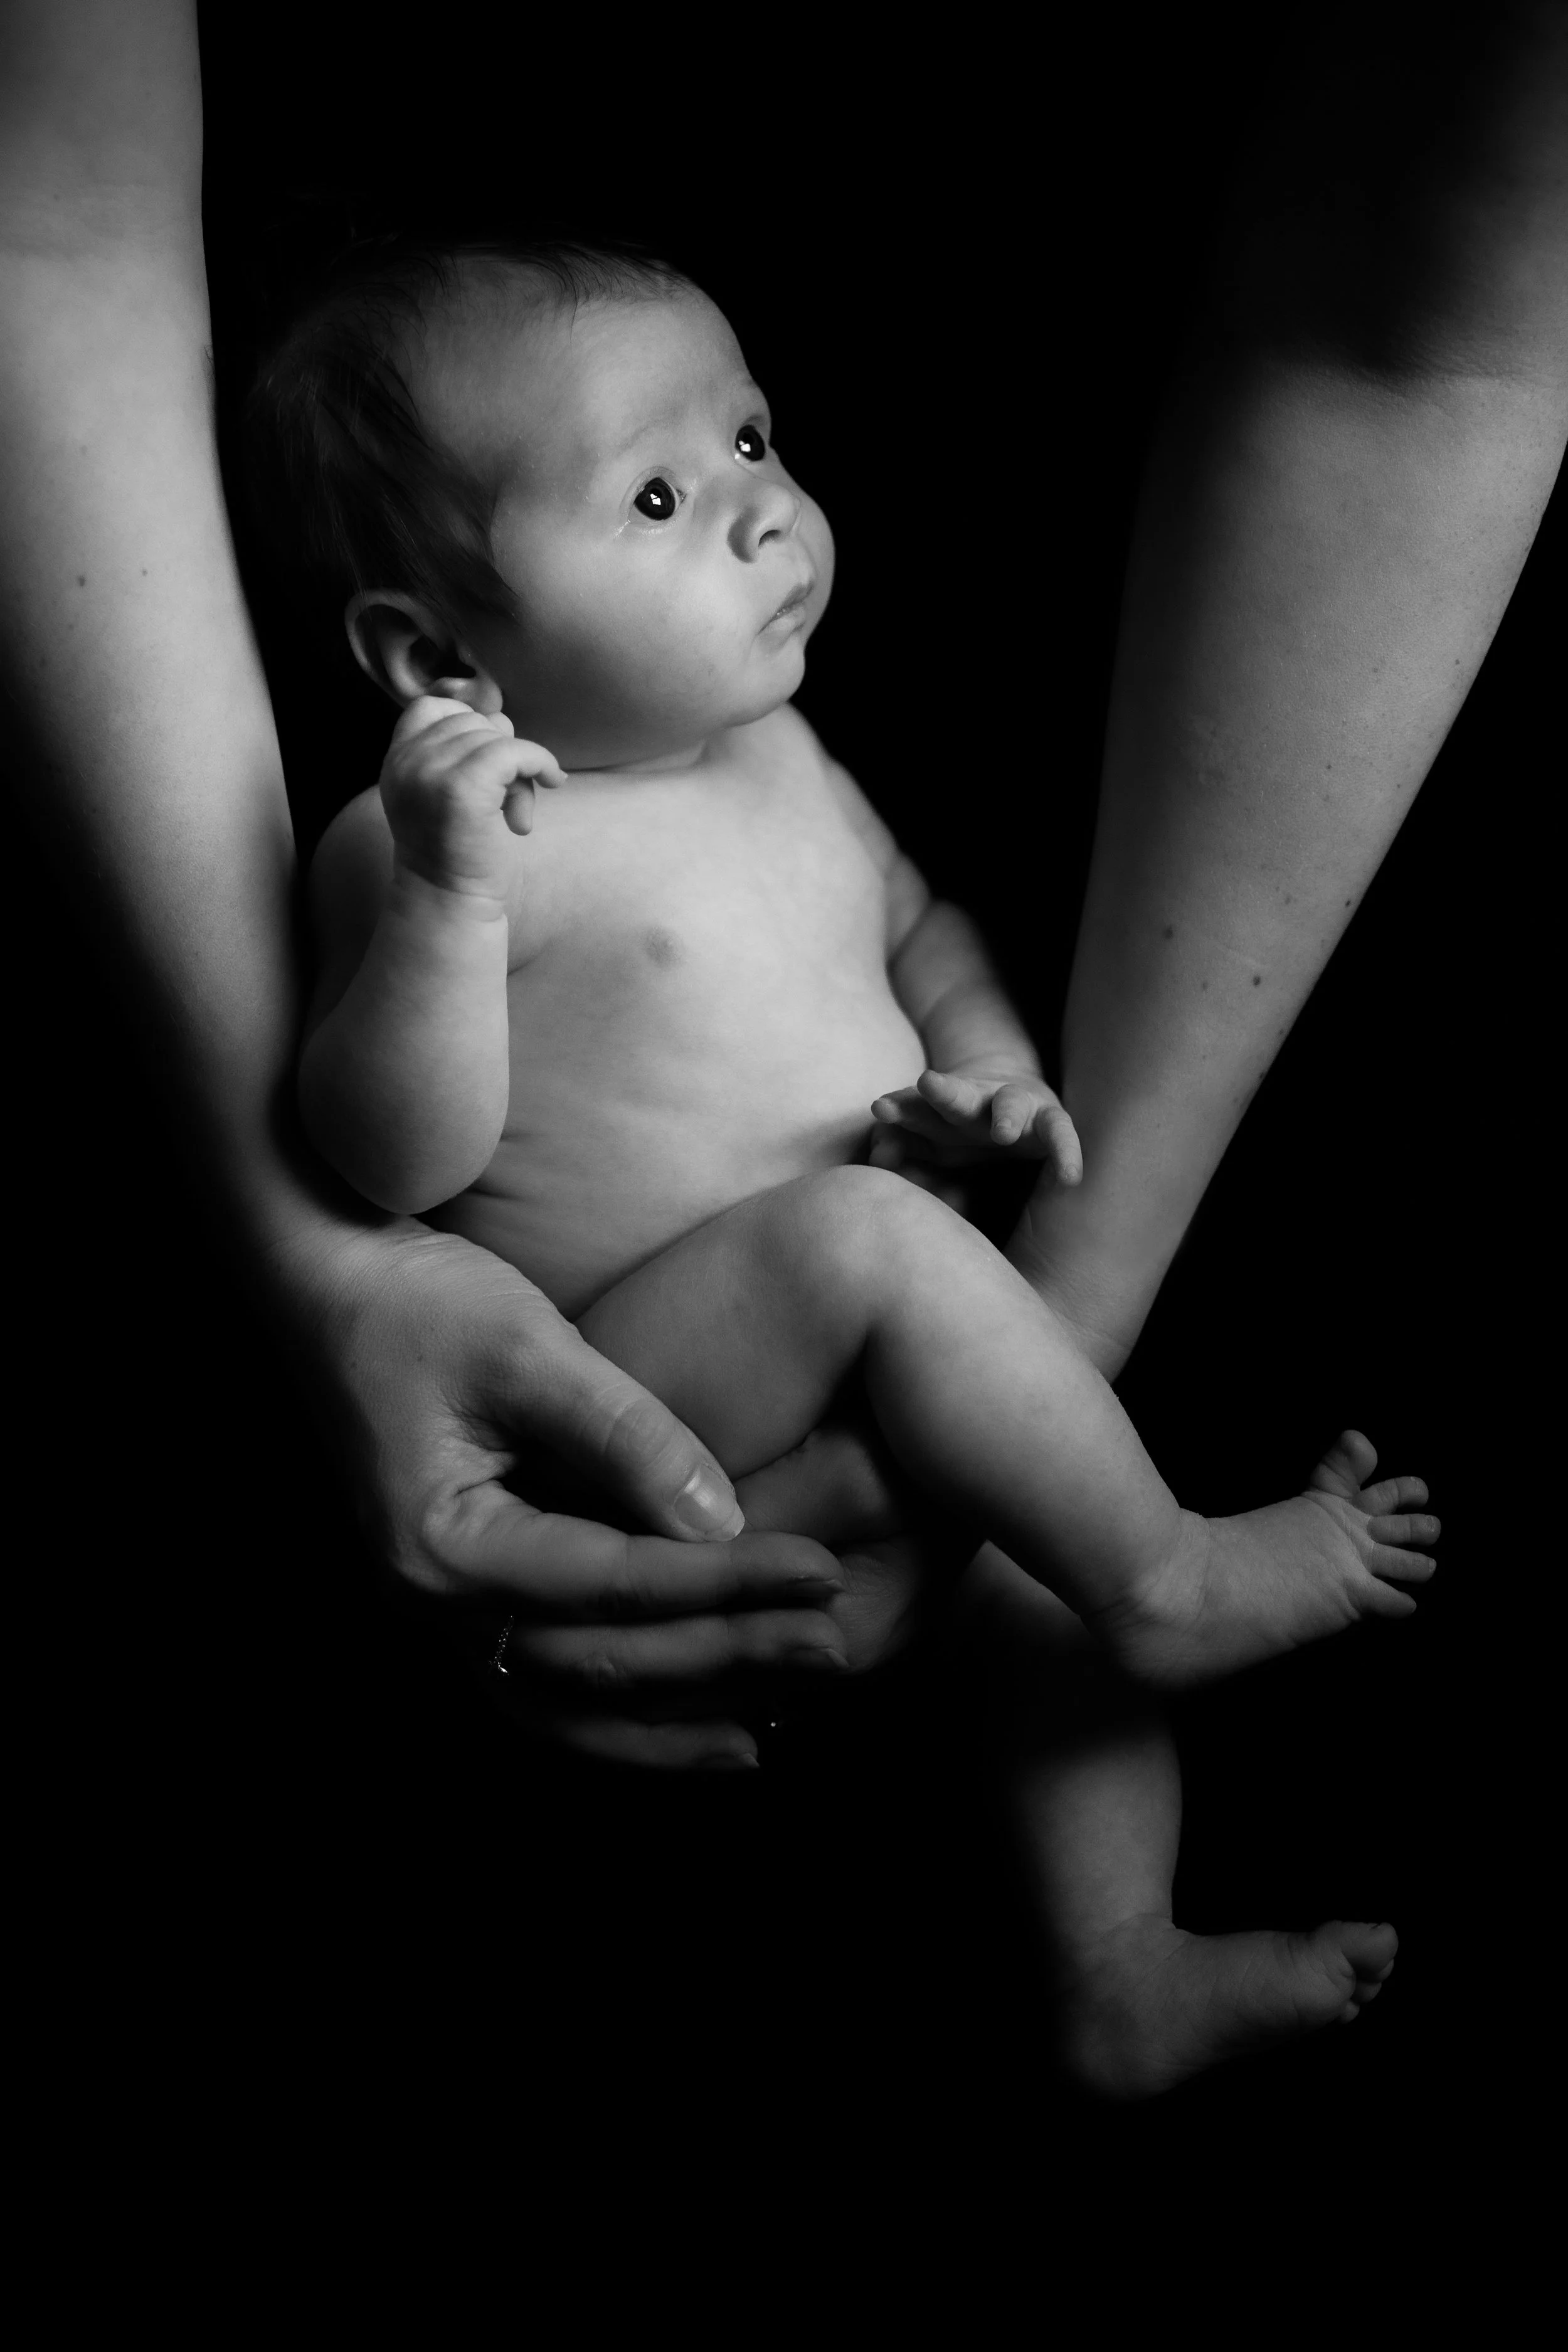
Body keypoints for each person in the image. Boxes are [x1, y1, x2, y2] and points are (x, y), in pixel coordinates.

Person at [3, 0, 1562, 2100]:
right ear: (436, 654)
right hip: (629, 1397)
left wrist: (1002, 1067)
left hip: (875, 1334)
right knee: (875, 1266)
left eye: (746, 441)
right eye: (655, 492)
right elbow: (376, 1147)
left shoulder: (779, 755)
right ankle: (1174, 1572)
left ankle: (1114, 1970)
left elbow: (920, 923)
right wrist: (450, 907)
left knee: (1022, 1561)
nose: (759, 511)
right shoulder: (444, 834)